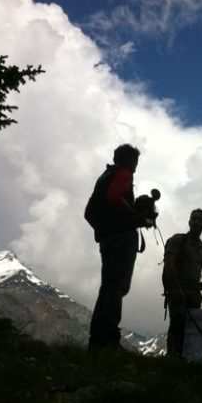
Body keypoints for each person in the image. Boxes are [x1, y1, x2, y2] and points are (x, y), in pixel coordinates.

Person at [84, 143, 141, 351]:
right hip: (122, 238)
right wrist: (132, 216)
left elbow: (88, 213)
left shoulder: (103, 177)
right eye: (135, 162)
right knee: (117, 287)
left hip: (106, 240)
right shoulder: (124, 173)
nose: (135, 168)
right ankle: (110, 340)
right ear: (130, 161)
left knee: (107, 288)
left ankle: (97, 340)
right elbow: (115, 196)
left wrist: (104, 231)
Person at [163, 209, 202, 357]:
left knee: (191, 330)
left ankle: (185, 362)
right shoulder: (177, 240)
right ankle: (173, 359)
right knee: (177, 325)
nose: (197, 222)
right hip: (177, 290)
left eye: (200, 220)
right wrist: (176, 289)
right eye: (194, 219)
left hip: (195, 294)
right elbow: (169, 264)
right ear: (189, 221)